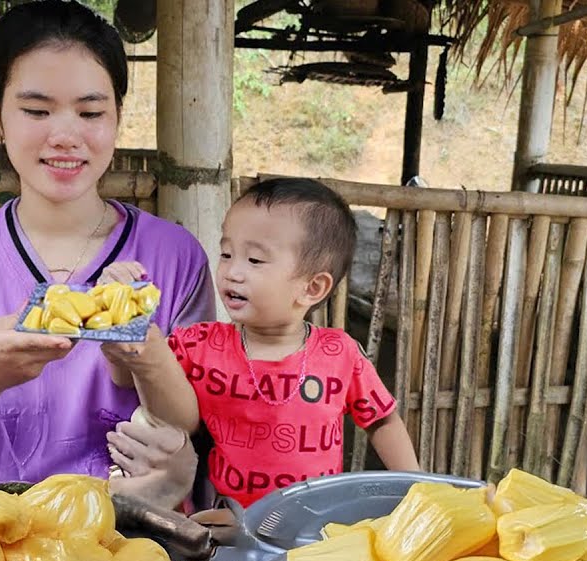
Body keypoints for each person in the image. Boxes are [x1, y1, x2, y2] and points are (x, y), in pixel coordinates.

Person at [0, 0, 214, 489]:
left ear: (117, 113)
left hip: (137, 542)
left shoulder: (176, 256)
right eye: (36, 110)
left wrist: (151, 374)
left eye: (91, 111)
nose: (66, 136)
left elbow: (203, 422)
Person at [104, 177, 419, 509]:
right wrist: (126, 322)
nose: (232, 272)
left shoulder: (339, 353)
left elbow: (381, 420)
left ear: (312, 288)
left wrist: (416, 490)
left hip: (316, 523)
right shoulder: (199, 344)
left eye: (254, 260)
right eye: (226, 254)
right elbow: (127, 377)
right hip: (226, 525)